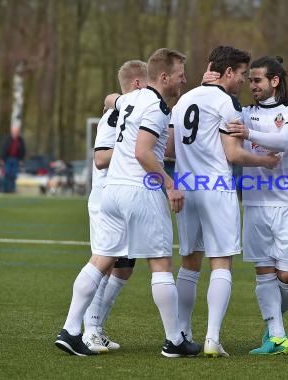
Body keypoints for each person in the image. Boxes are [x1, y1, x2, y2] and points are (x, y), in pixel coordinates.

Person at [55, 48, 201, 358]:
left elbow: (112, 99)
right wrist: (171, 185)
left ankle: (70, 330)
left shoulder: (130, 99)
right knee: (161, 263)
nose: (183, 80)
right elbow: (143, 152)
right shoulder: (158, 108)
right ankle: (175, 340)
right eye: (179, 75)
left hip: (111, 193)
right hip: (139, 191)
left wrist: (114, 98)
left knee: (100, 260)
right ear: (163, 77)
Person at [170, 45, 280, 358]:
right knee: (221, 262)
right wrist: (265, 162)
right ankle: (212, 339)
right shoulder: (226, 102)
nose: (244, 80)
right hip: (216, 186)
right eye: (243, 74)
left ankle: (181, 333)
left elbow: (169, 149)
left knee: (190, 262)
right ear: (228, 72)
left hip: (187, 184)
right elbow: (233, 154)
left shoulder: (184, 99)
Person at [222, 56, 288, 355]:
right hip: (256, 202)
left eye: (258, 80)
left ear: (275, 80)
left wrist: (248, 134)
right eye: (250, 81)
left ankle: (276, 322)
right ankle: (276, 335)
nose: (253, 86)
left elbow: (285, 141)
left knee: (285, 275)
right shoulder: (243, 112)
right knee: (263, 271)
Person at [80, 60, 148, 353]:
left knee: (125, 266)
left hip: (126, 199)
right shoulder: (114, 117)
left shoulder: (136, 115)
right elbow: (100, 159)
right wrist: (135, 147)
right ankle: (87, 330)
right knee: (106, 263)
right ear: (136, 85)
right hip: (106, 198)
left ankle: (96, 325)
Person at [0, 126, 26, 193]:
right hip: (8, 159)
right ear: (12, 131)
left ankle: (12, 189)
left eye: (17, 131)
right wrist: (2, 158)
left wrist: (21, 159)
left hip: (16, 159)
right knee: (6, 174)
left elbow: (23, 150)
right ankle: (5, 189)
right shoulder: (7, 139)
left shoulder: (20, 140)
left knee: (14, 175)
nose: (16, 132)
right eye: (14, 131)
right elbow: (3, 149)